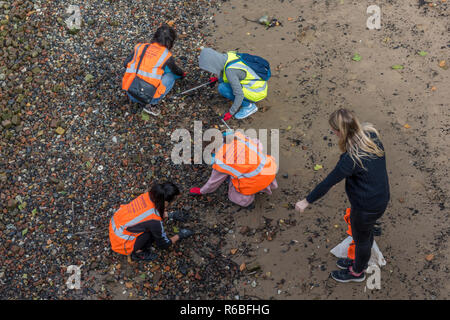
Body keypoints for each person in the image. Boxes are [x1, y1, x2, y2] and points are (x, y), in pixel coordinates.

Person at [295, 109, 390, 283]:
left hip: (365, 208)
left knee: (361, 238)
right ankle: (360, 257)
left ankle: (357, 271)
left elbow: (328, 183)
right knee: (364, 233)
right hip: (380, 198)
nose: (333, 133)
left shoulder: (352, 158)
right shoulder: (370, 134)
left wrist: (306, 201)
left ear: (340, 131)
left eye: (334, 130)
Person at [109, 181, 193, 261]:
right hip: (121, 242)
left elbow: (147, 212)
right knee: (149, 235)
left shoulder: (147, 196)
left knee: (149, 226)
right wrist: (180, 235)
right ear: (166, 203)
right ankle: (139, 253)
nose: (174, 203)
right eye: (174, 201)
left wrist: (170, 215)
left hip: (116, 227)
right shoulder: (154, 220)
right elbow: (163, 244)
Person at [190, 131, 278, 208]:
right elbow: (258, 144)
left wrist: (201, 191)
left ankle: (246, 200)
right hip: (269, 168)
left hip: (255, 182)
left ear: (212, 150)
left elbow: (213, 183)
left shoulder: (221, 161)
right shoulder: (239, 137)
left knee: (233, 196)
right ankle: (269, 184)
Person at [122, 24, 186, 116]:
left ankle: (133, 98)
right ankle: (151, 104)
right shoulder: (166, 55)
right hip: (146, 97)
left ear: (155, 36)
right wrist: (182, 74)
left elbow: (125, 64)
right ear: (170, 42)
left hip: (130, 91)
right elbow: (175, 70)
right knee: (170, 77)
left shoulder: (140, 47)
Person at [198, 48, 268, 121]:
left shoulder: (230, 71)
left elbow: (239, 94)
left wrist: (231, 112)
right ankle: (247, 103)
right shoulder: (229, 55)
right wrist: (218, 79)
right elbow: (233, 73)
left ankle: (249, 107)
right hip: (259, 84)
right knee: (224, 84)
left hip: (257, 91)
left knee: (222, 88)